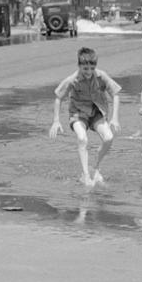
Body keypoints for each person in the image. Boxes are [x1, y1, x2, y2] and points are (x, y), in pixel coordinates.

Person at [49, 47, 121, 187]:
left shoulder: (101, 76)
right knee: (82, 138)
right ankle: (86, 176)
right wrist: (56, 121)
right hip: (78, 113)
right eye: (85, 68)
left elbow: (115, 94)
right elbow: (58, 98)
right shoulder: (72, 79)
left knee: (109, 138)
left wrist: (115, 118)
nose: (88, 72)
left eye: (91, 68)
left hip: (96, 111)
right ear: (79, 66)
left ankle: (95, 167)